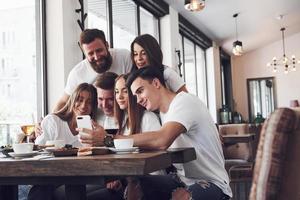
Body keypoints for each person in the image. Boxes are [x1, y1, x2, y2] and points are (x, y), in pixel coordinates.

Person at [80, 66, 232, 200]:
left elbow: (162, 139)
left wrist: (108, 139)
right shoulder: (165, 113)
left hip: (212, 182)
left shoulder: (184, 102)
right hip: (180, 179)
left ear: (156, 83)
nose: (138, 100)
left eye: (140, 91)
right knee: (135, 185)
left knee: (182, 197)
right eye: (135, 95)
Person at [54, 28, 132, 111]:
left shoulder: (124, 57)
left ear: (107, 45)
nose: (96, 57)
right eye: (90, 53)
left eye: (99, 50)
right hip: (95, 119)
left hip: (125, 114)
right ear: (85, 54)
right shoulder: (77, 73)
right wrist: (48, 121)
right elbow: (64, 101)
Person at [35, 83, 98, 147]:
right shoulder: (53, 121)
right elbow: (39, 148)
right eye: (80, 100)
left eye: (89, 102)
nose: (83, 106)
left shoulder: (94, 132)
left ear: (93, 107)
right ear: (72, 100)